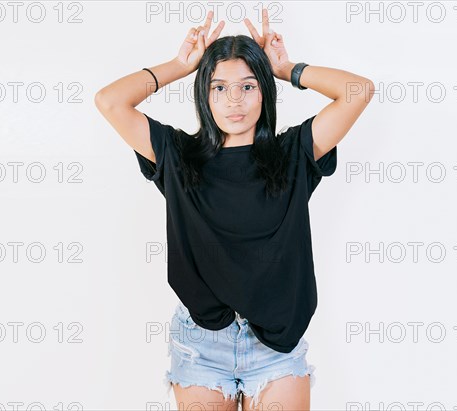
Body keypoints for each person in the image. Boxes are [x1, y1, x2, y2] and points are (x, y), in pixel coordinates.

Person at [95, 8, 374, 411]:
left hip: (276, 344)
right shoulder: (177, 155)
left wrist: (286, 67)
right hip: (202, 341)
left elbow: (358, 90)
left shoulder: (294, 152)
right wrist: (179, 65)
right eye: (219, 87)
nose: (234, 101)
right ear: (204, 95)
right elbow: (109, 100)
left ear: (264, 91)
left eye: (247, 86)